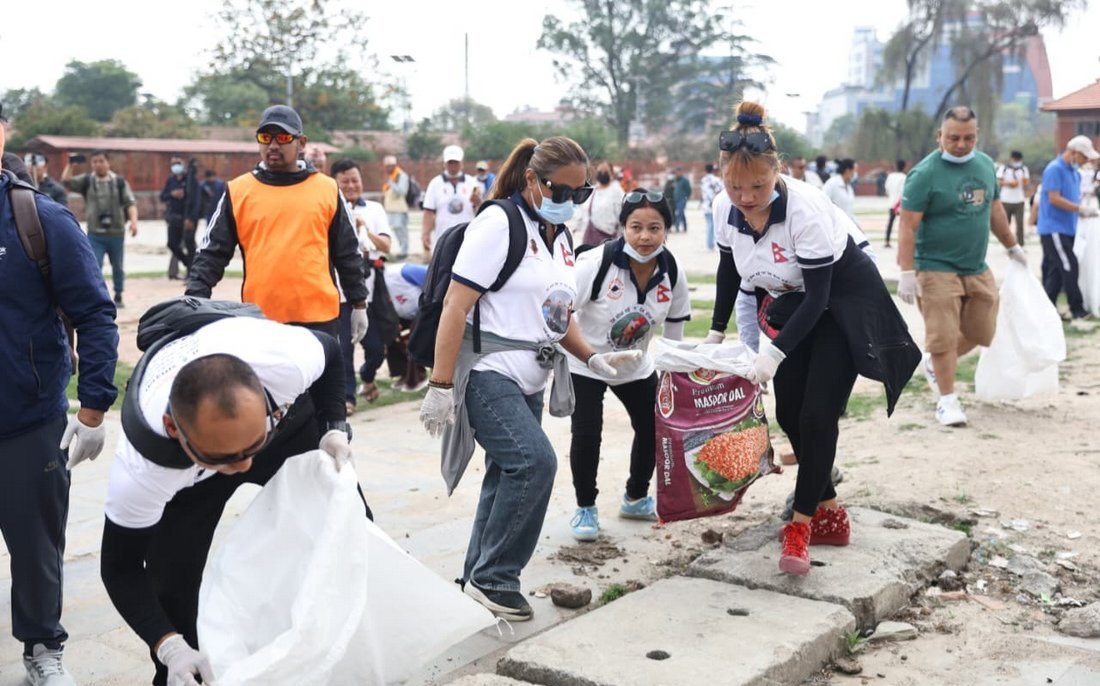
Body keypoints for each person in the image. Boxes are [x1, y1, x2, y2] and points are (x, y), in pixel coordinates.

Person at [417, 136, 638, 621]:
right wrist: (440, 384)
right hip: (488, 372)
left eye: (580, 195)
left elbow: (559, 313)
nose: (570, 203)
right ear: (534, 181)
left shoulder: (559, 237)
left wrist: (592, 358)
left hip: (532, 378)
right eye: (560, 192)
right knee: (535, 464)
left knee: (504, 476)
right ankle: (496, 577)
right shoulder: (499, 223)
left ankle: (475, 576)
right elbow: (456, 306)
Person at [706, 101, 918, 576]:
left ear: (777, 171)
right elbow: (727, 270)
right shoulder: (725, 207)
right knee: (789, 415)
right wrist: (716, 333)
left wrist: (772, 354)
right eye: (735, 186)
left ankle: (801, 528)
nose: (746, 196)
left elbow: (820, 296)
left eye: (758, 185)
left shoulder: (805, 210)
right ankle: (831, 513)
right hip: (792, 305)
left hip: (840, 303)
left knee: (818, 415)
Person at [99, 316, 359, 686]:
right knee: (172, 582)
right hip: (189, 477)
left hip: (283, 433)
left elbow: (331, 352)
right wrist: (168, 645)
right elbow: (120, 567)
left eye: (250, 449)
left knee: (346, 516)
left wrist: (333, 427)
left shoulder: (286, 363)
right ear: (173, 428)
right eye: (228, 457)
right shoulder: (145, 469)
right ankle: (185, 674)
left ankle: (347, 646)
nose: (243, 466)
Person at [1, 108, 120, 685]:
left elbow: (95, 313)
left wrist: (94, 405)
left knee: (37, 549)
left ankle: (43, 648)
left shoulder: (37, 219)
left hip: (26, 421)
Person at [567, 189, 691, 541]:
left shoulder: (672, 270)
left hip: (636, 364)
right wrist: (588, 356)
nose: (645, 236)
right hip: (586, 362)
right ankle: (585, 508)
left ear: (667, 229)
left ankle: (635, 497)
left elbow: (674, 333)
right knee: (588, 433)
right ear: (622, 227)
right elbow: (561, 315)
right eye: (635, 227)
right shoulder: (595, 264)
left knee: (655, 427)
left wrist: (673, 377)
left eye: (655, 227)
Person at [185, 105, 368, 341]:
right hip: (261, 318)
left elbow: (347, 252)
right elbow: (212, 253)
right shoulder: (239, 191)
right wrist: (193, 302)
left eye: (282, 137)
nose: (273, 145)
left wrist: (359, 302)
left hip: (319, 319)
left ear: (301, 143)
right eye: (265, 137)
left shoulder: (327, 189)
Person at [897, 106, 1026, 426]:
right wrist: (907, 272)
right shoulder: (924, 174)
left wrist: (1012, 246)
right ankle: (947, 400)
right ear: (940, 136)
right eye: (953, 138)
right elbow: (908, 226)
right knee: (941, 335)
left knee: (983, 331)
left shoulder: (984, 165)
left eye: (968, 138)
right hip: (934, 266)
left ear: (977, 136)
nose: (961, 144)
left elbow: (995, 210)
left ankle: (937, 363)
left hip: (975, 265)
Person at [331, 158, 395, 409]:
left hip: (370, 291)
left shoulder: (375, 209)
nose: (351, 185)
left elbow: (387, 246)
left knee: (377, 347)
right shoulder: (329, 207)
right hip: (340, 291)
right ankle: (347, 399)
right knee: (344, 348)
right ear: (334, 182)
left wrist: (364, 229)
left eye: (354, 180)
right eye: (344, 181)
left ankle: (368, 377)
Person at [61, 149, 139, 308]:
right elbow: (66, 182)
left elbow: (130, 203)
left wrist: (134, 222)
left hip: (116, 232)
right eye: (94, 161)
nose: (98, 164)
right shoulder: (88, 181)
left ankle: (118, 294)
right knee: (94, 265)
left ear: (108, 162)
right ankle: (97, 295)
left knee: (118, 266)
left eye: (101, 161)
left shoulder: (119, 182)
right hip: (95, 233)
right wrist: (70, 165)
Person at [1037, 136, 1100, 320]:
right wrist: (1080, 209)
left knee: (1056, 271)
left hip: (1068, 227)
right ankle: (1077, 309)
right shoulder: (1054, 169)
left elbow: (1073, 198)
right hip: (1054, 228)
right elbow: (1054, 198)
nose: (1085, 162)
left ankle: (1047, 310)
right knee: (1069, 266)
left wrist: (1081, 211)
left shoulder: (1075, 173)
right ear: (1073, 152)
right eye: (1083, 157)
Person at [421, 145, 482, 255]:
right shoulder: (435, 183)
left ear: (462, 163)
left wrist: (478, 202)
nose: (453, 166)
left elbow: (479, 210)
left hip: (466, 235)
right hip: (443, 236)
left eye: (456, 162)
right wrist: (425, 234)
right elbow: (428, 211)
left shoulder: (472, 182)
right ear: (444, 164)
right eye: (450, 162)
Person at [383, 263, 429, 392]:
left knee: (417, 328)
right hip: (406, 315)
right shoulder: (373, 291)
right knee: (389, 329)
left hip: (428, 311)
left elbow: (438, 282)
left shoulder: (404, 272)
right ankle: (403, 372)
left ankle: (416, 377)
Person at [160, 156, 200, 281]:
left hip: (187, 218)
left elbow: (196, 201)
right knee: (172, 244)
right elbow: (163, 196)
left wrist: (191, 219)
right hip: (174, 217)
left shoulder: (191, 181)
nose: (175, 166)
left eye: (178, 163)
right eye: (173, 164)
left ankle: (191, 273)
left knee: (189, 244)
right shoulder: (171, 180)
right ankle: (189, 264)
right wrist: (172, 194)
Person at [576, 160, 625, 246]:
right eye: (600, 171)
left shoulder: (617, 192)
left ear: (611, 174)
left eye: (605, 171)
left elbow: (622, 218)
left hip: (608, 239)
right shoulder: (592, 191)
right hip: (588, 238)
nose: (602, 173)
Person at [998, 150, 1030, 246]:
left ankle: (1020, 244)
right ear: (1011, 159)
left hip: (1019, 200)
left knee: (1020, 224)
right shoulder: (1003, 168)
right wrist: (1009, 183)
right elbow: (998, 182)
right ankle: (1007, 244)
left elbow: (1026, 182)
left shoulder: (1023, 169)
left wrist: (1020, 182)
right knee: (1006, 224)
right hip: (1005, 200)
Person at [381, 154, 411, 259]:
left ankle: (404, 252)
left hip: (399, 209)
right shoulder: (391, 176)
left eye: (390, 166)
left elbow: (402, 191)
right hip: (390, 209)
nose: (387, 168)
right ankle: (396, 251)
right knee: (390, 231)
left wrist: (391, 184)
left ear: (394, 165)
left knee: (401, 231)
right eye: (386, 166)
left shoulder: (401, 176)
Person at [699, 162, 724, 251]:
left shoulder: (703, 180)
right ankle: (715, 244)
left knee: (709, 225)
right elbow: (721, 190)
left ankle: (709, 245)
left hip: (706, 206)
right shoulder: (716, 180)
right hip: (714, 205)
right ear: (713, 170)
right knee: (716, 226)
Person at [883, 159, 907, 248]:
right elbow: (904, 191)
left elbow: (887, 188)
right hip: (901, 204)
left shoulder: (890, 176)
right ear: (904, 167)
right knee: (902, 224)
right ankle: (902, 241)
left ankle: (887, 240)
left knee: (890, 222)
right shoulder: (904, 177)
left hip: (892, 203)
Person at [673, 167, 692, 232]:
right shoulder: (675, 180)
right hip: (676, 199)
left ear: (681, 172)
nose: (677, 174)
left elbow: (689, 190)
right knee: (682, 213)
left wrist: (686, 197)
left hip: (682, 199)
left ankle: (677, 226)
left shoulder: (685, 180)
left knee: (679, 212)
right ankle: (685, 226)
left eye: (678, 172)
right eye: (676, 172)